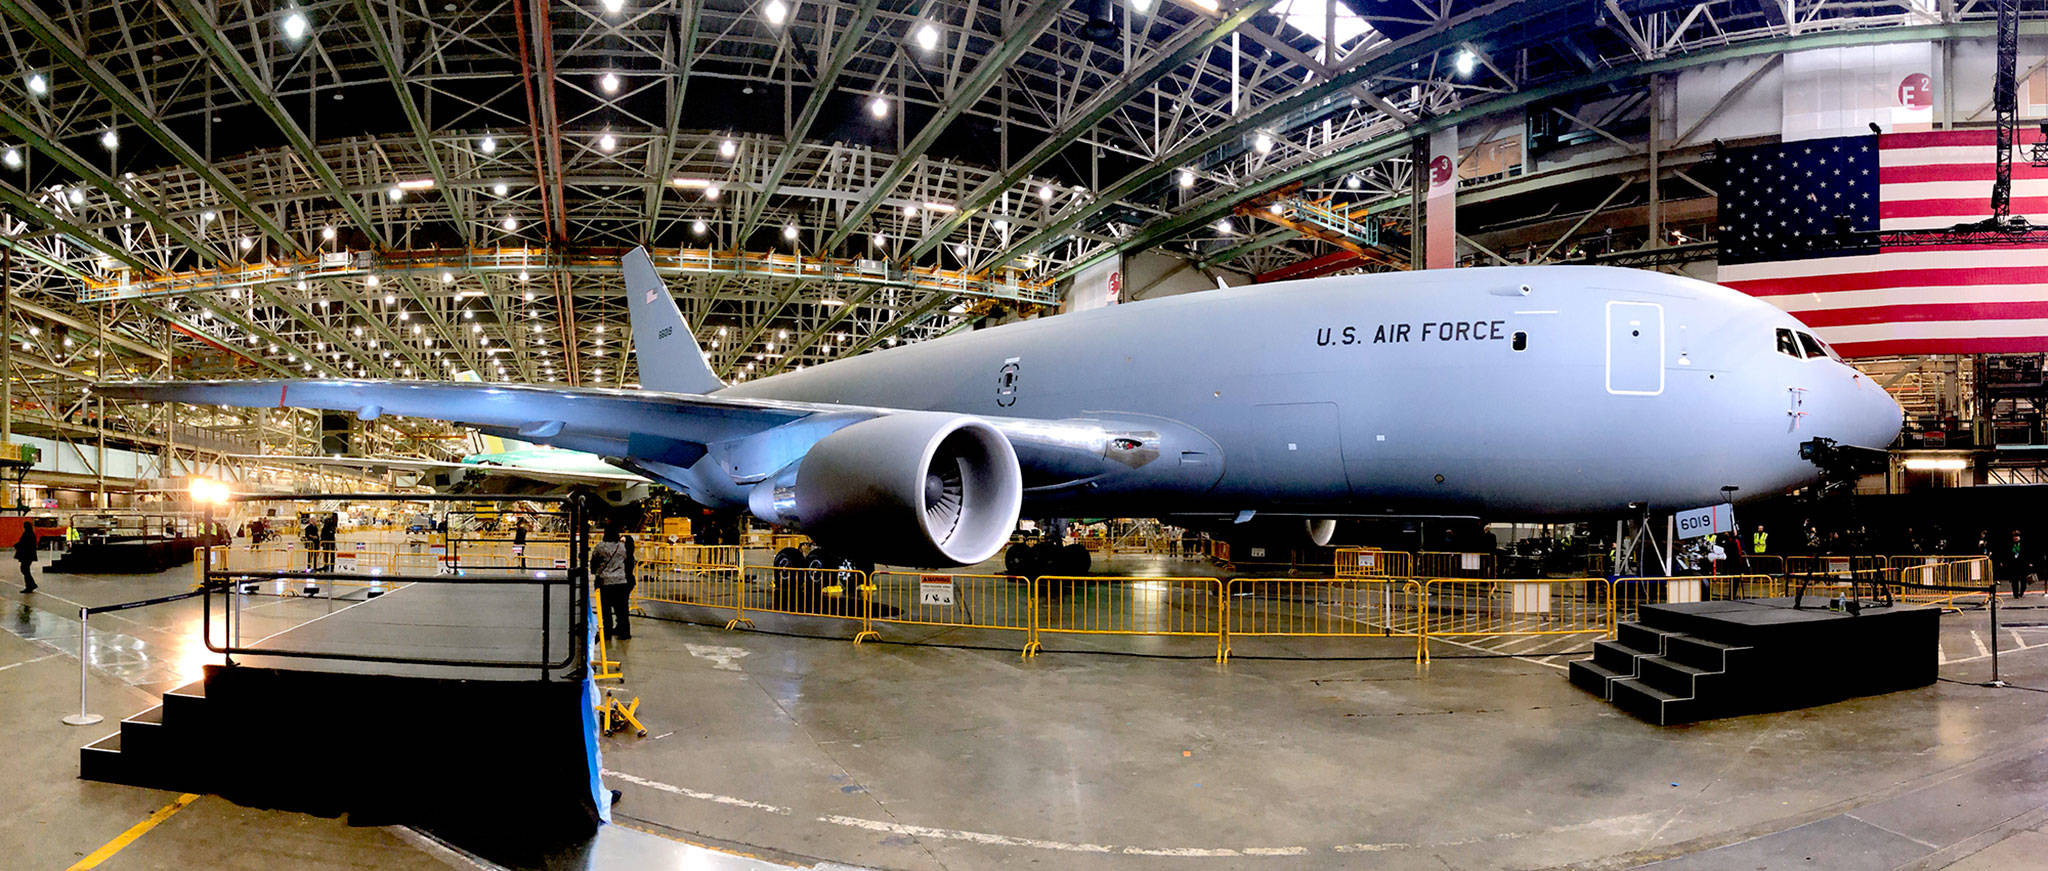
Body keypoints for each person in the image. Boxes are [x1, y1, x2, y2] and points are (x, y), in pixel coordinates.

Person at [590, 526, 634, 640]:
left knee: (606, 610)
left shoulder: (600, 547)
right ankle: (625, 632)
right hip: (621, 581)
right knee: (622, 610)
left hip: (605, 582)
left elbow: (593, 561)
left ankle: (607, 632)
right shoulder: (621, 547)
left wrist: (596, 571)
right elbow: (628, 557)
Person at [15, 527, 37, 593]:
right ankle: (31, 585)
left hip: (26, 555)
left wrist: (17, 545)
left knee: (24, 569)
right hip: (29, 555)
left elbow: (24, 543)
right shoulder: (31, 534)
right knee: (25, 570)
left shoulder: (27, 534)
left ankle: (30, 585)